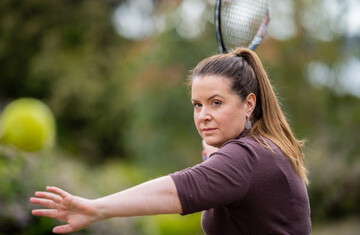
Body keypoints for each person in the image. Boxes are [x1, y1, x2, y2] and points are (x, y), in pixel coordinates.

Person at [30, 47, 311, 234]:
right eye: (197, 105)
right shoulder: (264, 148)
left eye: (216, 102)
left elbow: (180, 188)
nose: (203, 115)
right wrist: (212, 156)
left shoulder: (246, 157)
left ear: (248, 103)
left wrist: (96, 208)